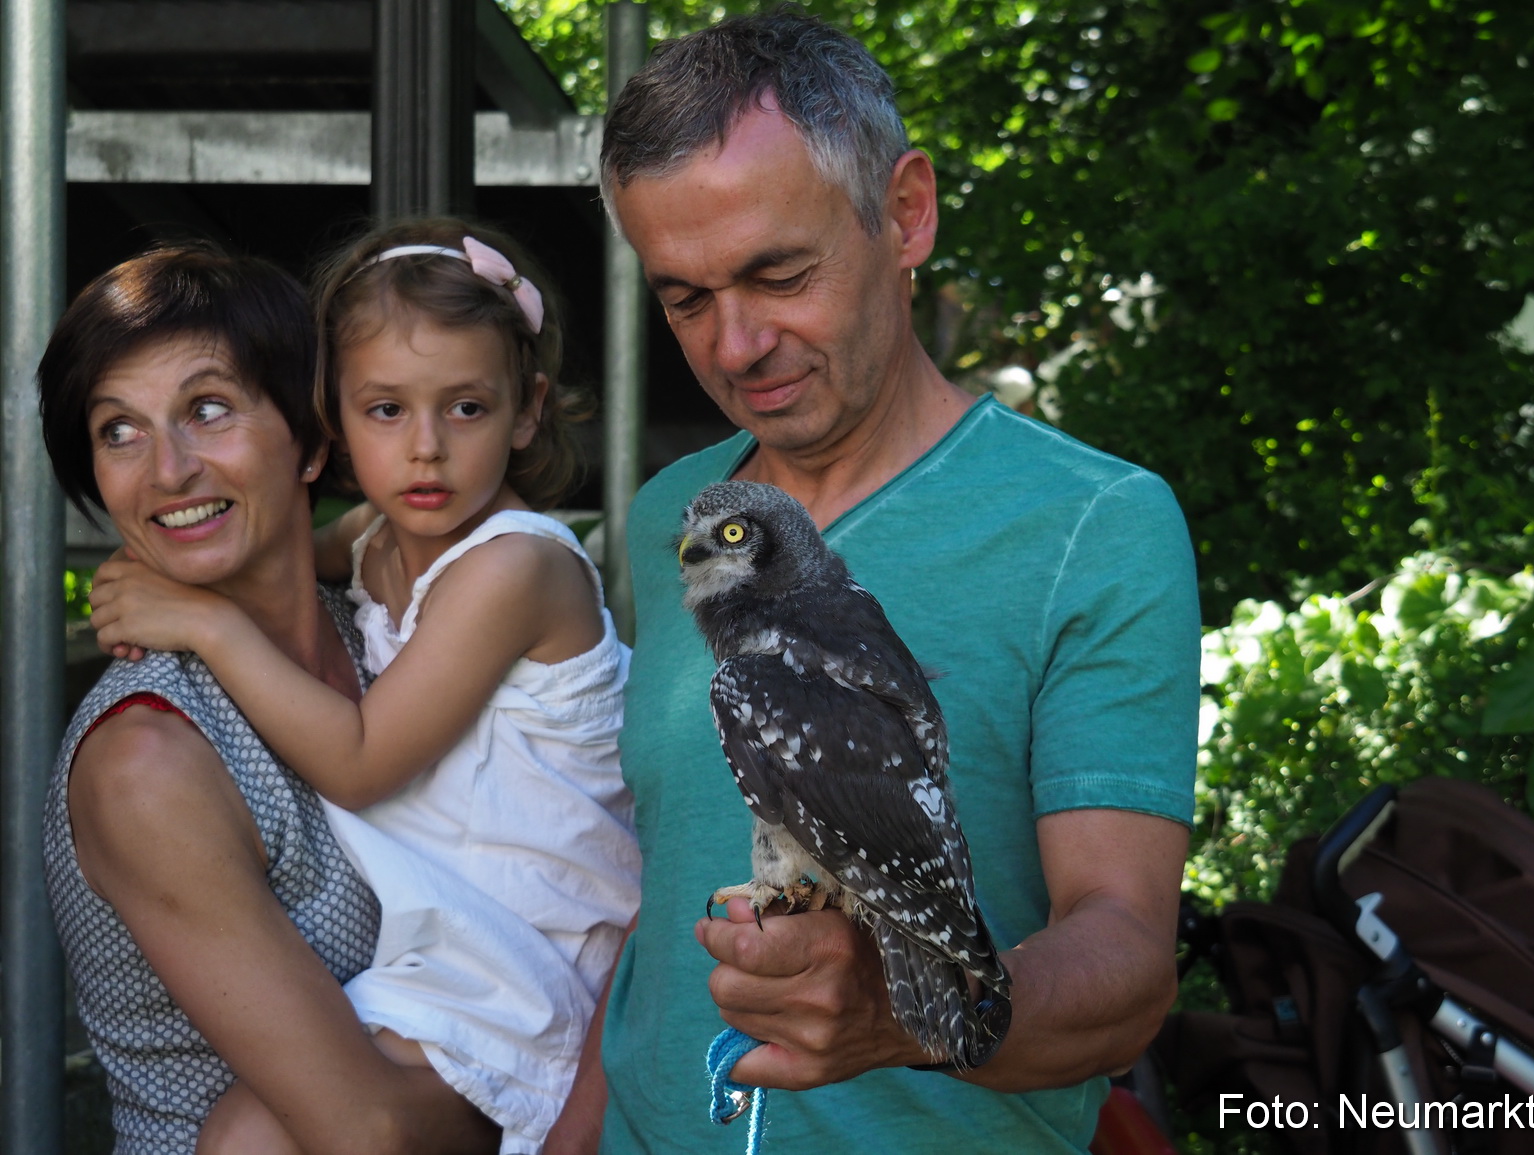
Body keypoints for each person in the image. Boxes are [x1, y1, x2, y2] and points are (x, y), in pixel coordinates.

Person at [578, 8, 1200, 1154]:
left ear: (904, 213)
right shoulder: (676, 516)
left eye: (778, 273)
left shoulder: (1090, 526)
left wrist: (907, 1016)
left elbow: (1126, 958)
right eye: (685, 297)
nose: (734, 345)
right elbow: (652, 891)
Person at [87, 220, 640, 1154]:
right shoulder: (379, 540)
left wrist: (202, 620)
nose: (425, 449)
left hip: (540, 945)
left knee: (256, 1136)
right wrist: (183, 551)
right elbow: (289, 551)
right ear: (332, 424)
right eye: (386, 410)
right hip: (461, 940)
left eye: (466, 408)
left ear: (528, 409)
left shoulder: (513, 570)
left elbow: (360, 760)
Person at [40, 242, 502, 1154]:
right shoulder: (151, 756)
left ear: (314, 439)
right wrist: (594, 1070)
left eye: (207, 409)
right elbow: (369, 1129)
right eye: (118, 431)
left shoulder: (391, 630)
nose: (167, 470)